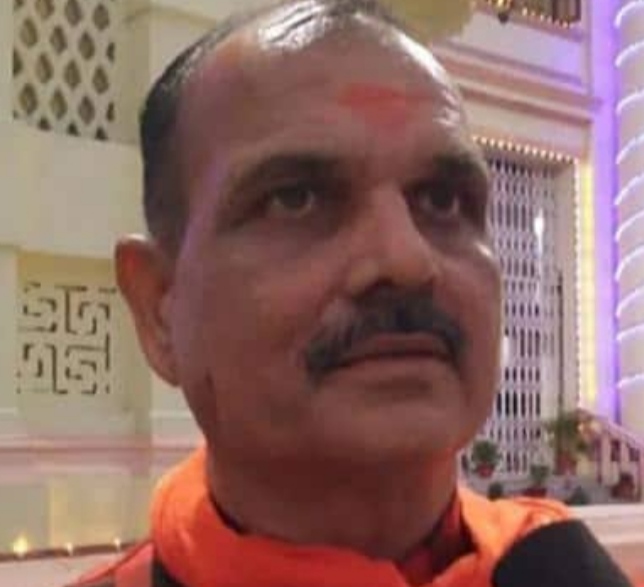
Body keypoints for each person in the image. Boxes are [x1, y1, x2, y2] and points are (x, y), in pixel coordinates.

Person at [67, 1, 630, 586]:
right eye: (296, 200)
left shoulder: (558, 568)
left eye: (442, 201)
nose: (406, 260)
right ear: (160, 308)